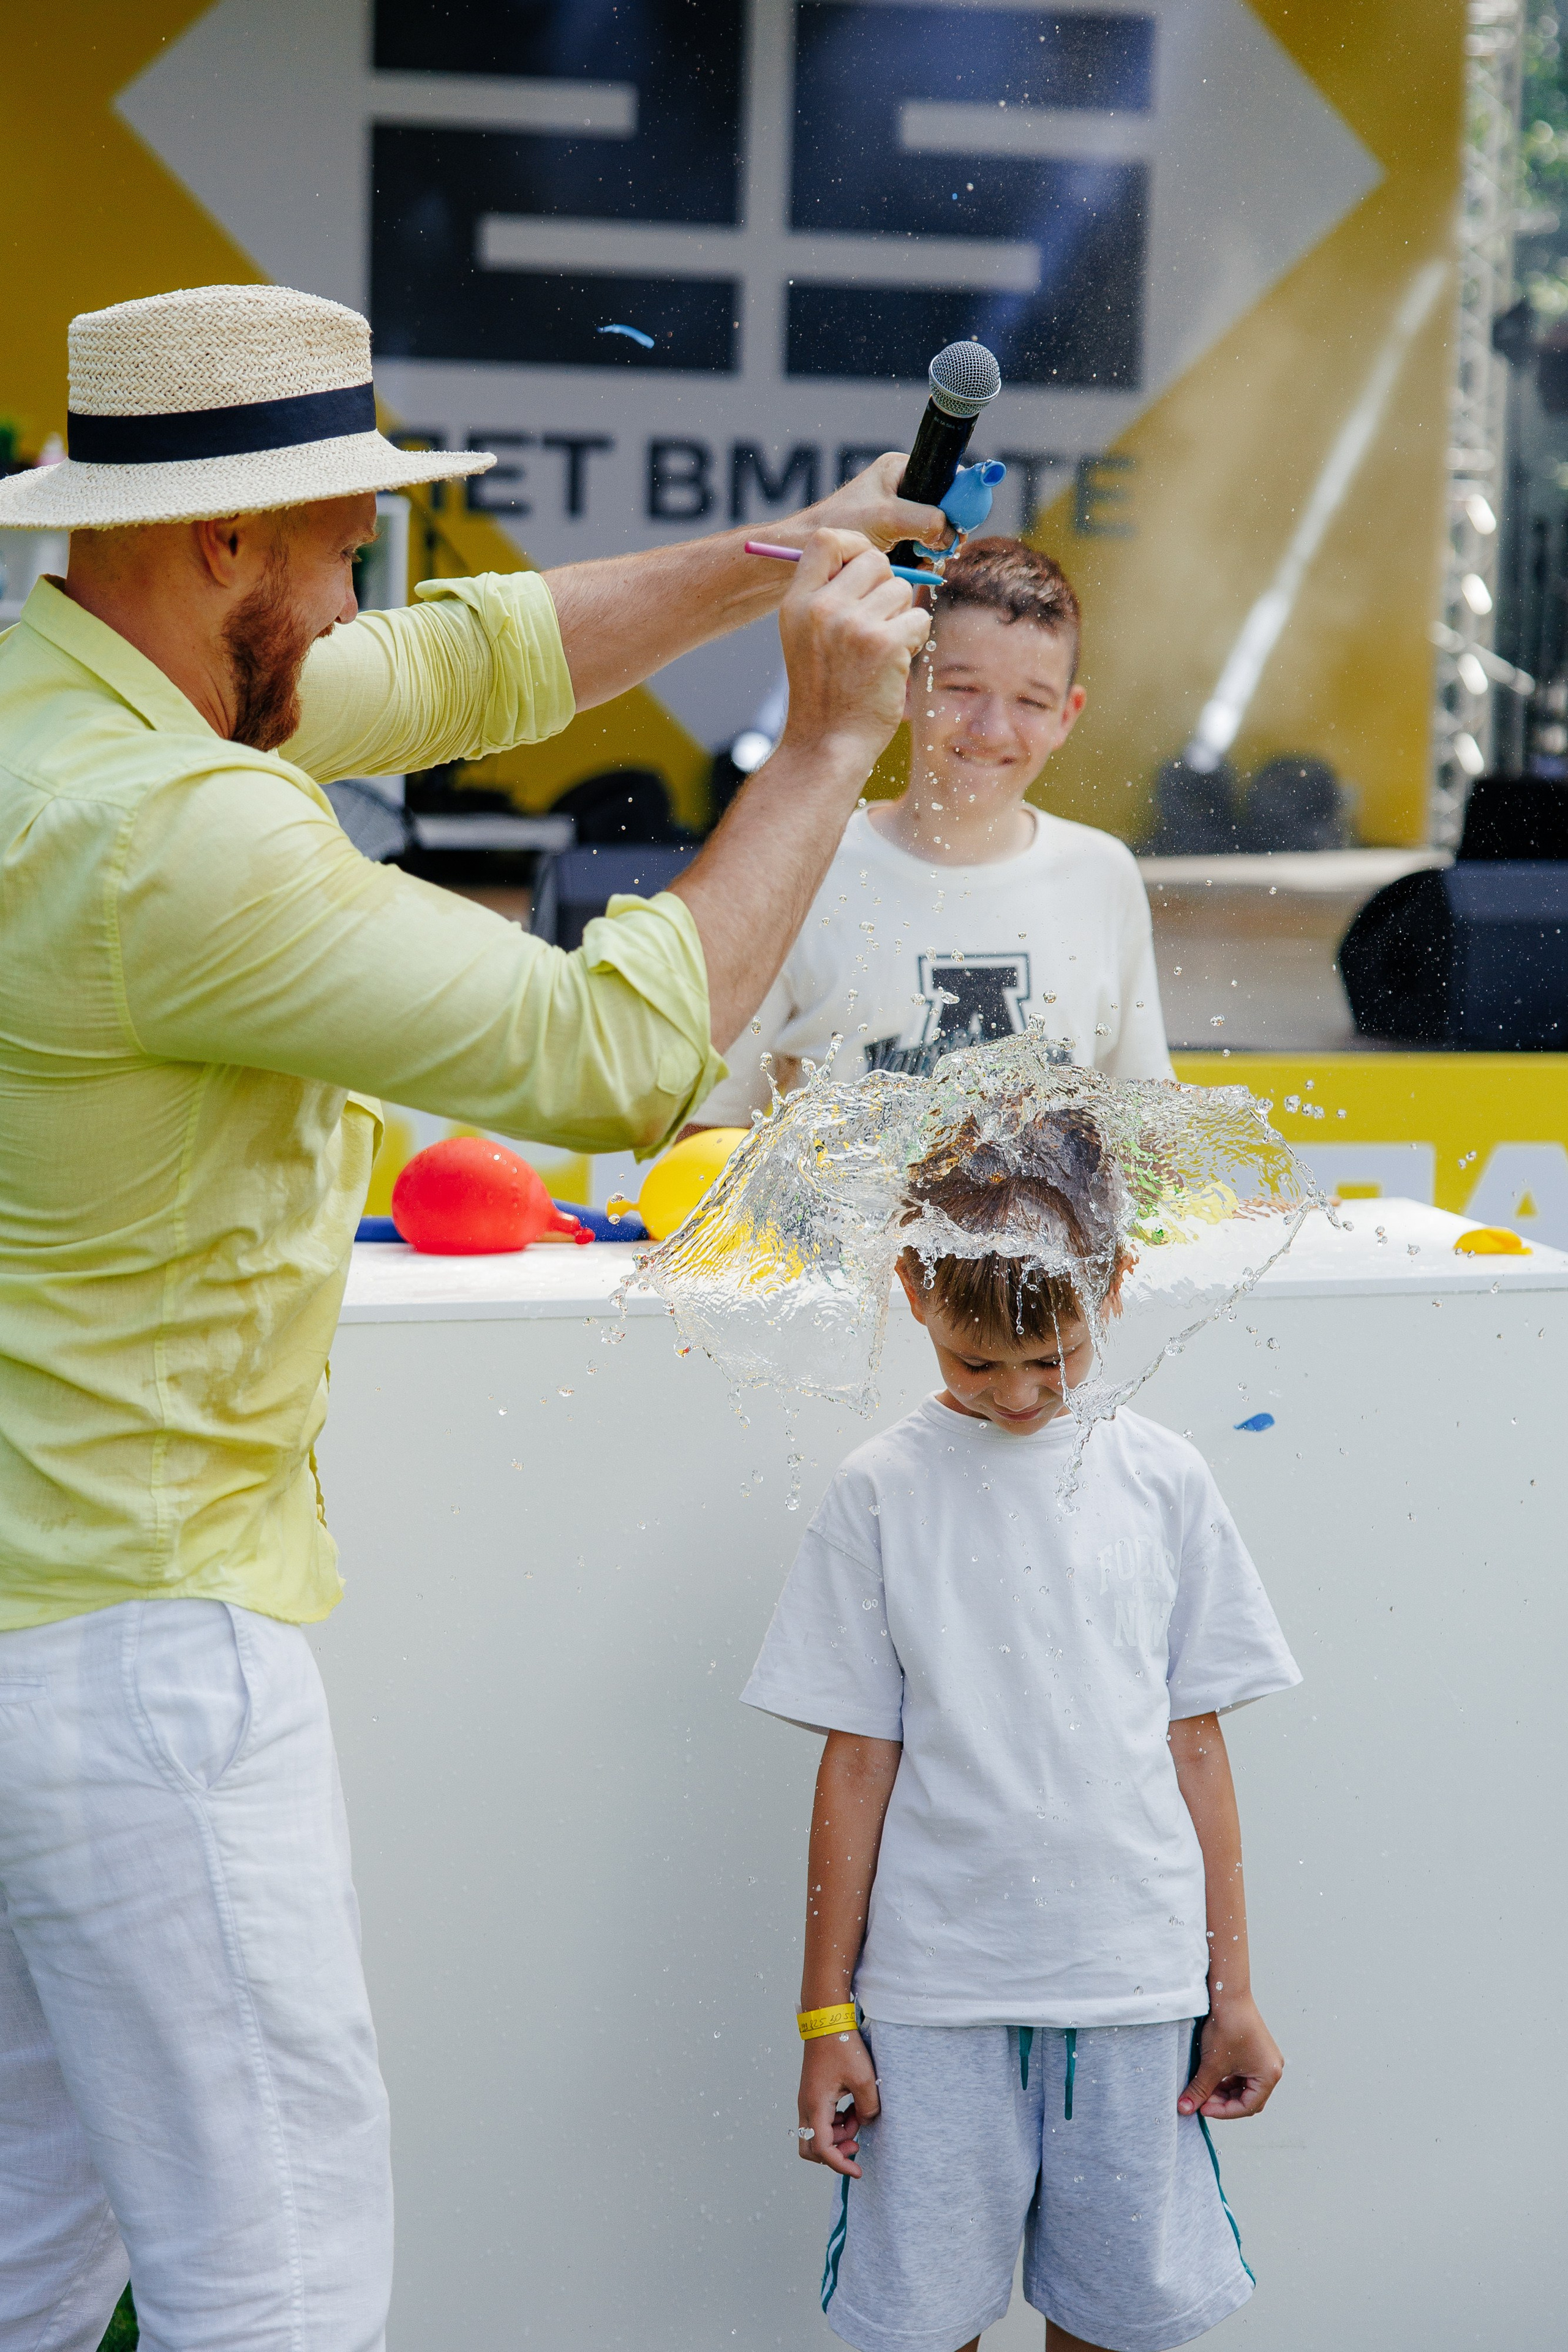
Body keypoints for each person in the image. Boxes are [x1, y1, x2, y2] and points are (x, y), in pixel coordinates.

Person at [0, 281, 946, 2352]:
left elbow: (453, 669)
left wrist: (777, 552)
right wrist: (830, 741)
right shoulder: (184, 837)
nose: (365, 589)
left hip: (39, 1632)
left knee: (32, 2268)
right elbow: (620, 1054)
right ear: (223, 542)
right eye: (345, 536)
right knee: (284, 2292)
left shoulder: (58, 707)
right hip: (138, 1657)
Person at [742, 1105, 1299, 2352]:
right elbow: (855, 1761)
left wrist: (1233, 1991)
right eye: (970, 1366)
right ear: (910, 1291)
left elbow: (1195, 1747)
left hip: (1134, 1987)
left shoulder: (1163, 1481)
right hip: (931, 2000)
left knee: (1113, 2322)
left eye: (1050, 1359)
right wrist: (823, 2016)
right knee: (923, 2323)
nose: (1013, 1397)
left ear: (1112, 1285)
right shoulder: (878, 1491)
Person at [693, 537, 1172, 1131]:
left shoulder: (1103, 875)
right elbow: (707, 1136)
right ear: (904, 684)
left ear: (1066, 717)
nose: (991, 727)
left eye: (1030, 700)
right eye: (961, 688)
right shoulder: (806, 868)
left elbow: (1150, 1141)